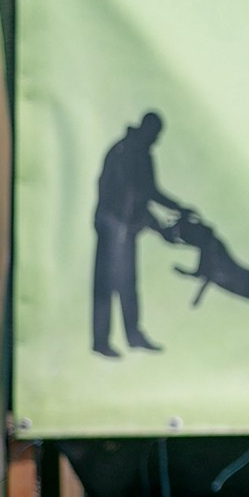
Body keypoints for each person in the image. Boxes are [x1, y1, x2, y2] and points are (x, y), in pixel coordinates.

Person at [91, 110, 183, 355]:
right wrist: (156, 225)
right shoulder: (124, 152)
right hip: (112, 226)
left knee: (128, 283)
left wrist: (177, 207)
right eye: (155, 134)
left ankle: (133, 335)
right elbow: (131, 197)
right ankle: (101, 342)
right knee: (106, 285)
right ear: (146, 130)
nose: (157, 140)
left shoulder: (142, 154)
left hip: (125, 229)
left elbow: (150, 191)